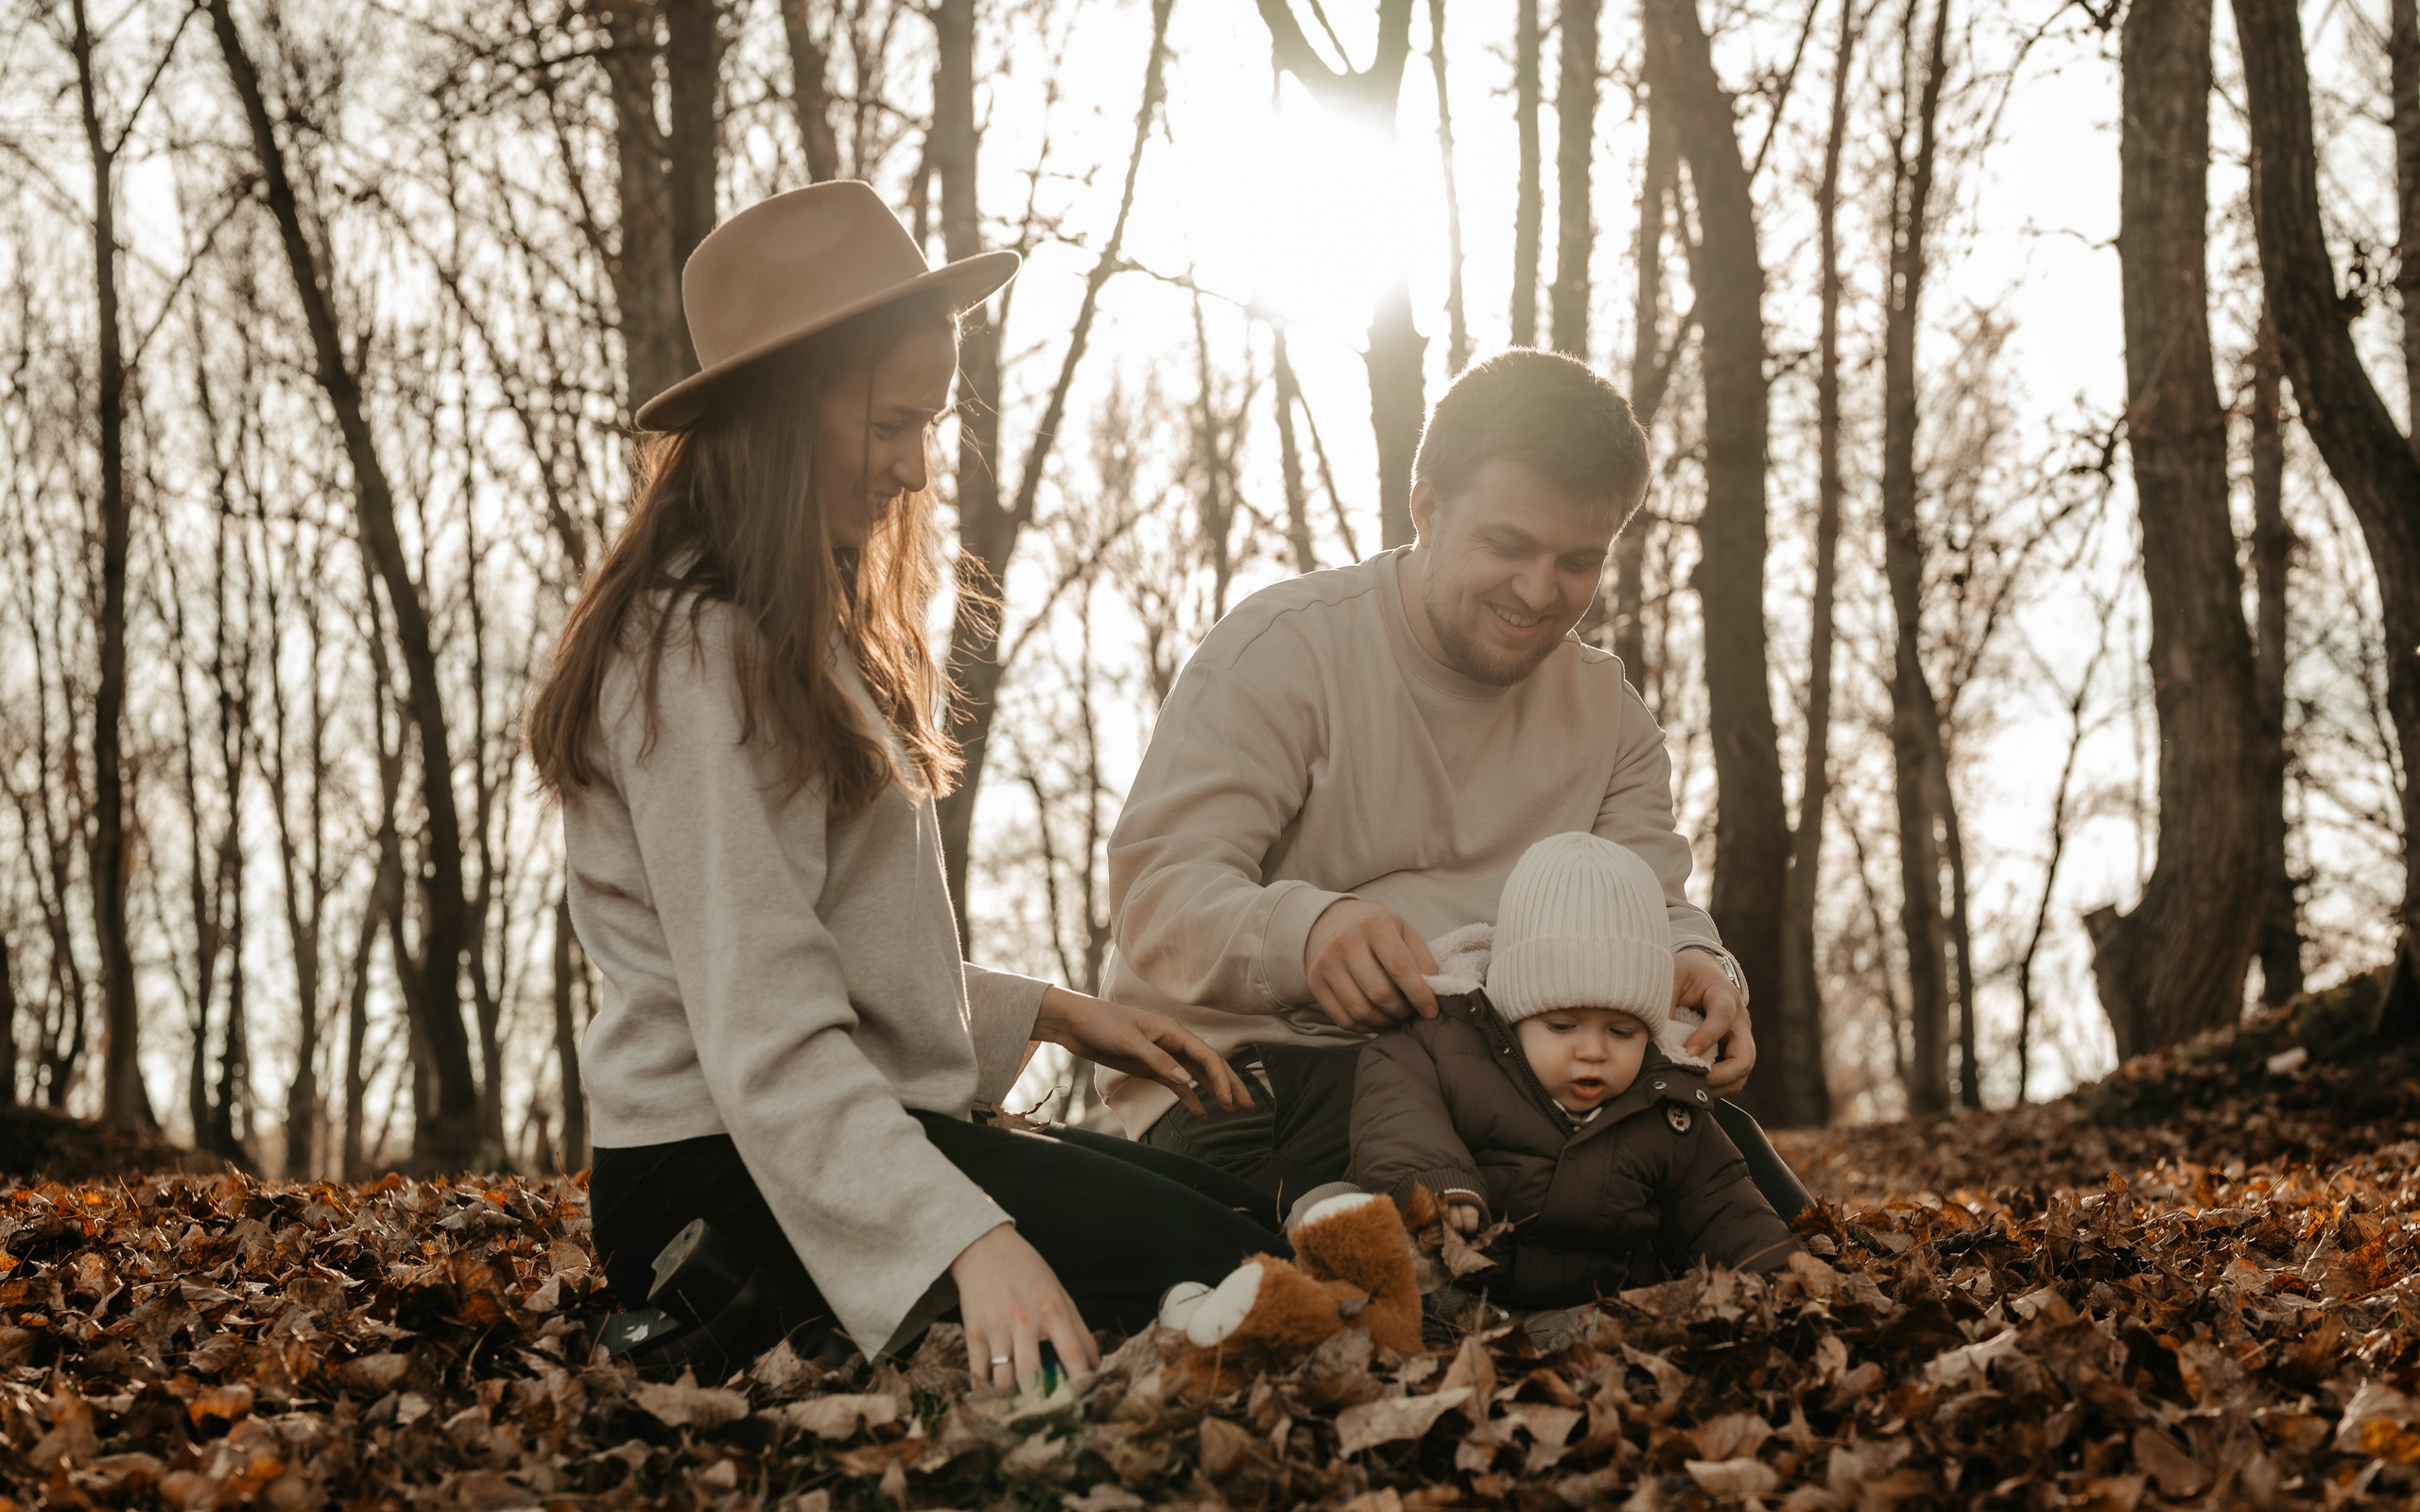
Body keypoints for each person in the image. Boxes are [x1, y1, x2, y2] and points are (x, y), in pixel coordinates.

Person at [527, 181, 1283, 1390]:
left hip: (798, 1135)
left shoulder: (786, 624)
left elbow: (813, 941)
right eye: (890, 425)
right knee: (1243, 1280)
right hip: (711, 1175)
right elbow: (764, 1030)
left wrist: (1048, 1011)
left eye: (928, 424)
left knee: (1247, 1223)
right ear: (780, 418)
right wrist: (969, 1239)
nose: (917, 471)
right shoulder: (690, 654)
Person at [1098, 349, 1808, 1219]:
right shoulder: (1283, 651)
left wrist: (1699, 959)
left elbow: (1650, 904)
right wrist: (1306, 931)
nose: (1539, 592)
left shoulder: (1610, 716)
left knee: (1754, 1201)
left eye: (1578, 561)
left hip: (1516, 1079)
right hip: (1253, 1077)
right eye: (1507, 545)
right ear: (1426, 506)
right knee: (1481, 1224)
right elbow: (1157, 895)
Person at [1349, 833, 1798, 1306]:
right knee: (1331, 1208)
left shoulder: (1665, 1099)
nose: (1592, 1051)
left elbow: (1720, 1205)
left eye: (1621, 1032)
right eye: (1562, 1025)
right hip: (1456, 1285)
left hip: (1597, 1305)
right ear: (1513, 1015)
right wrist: (1438, 1184)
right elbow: (1397, 1116)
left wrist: (1775, 1277)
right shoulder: (1447, 1048)